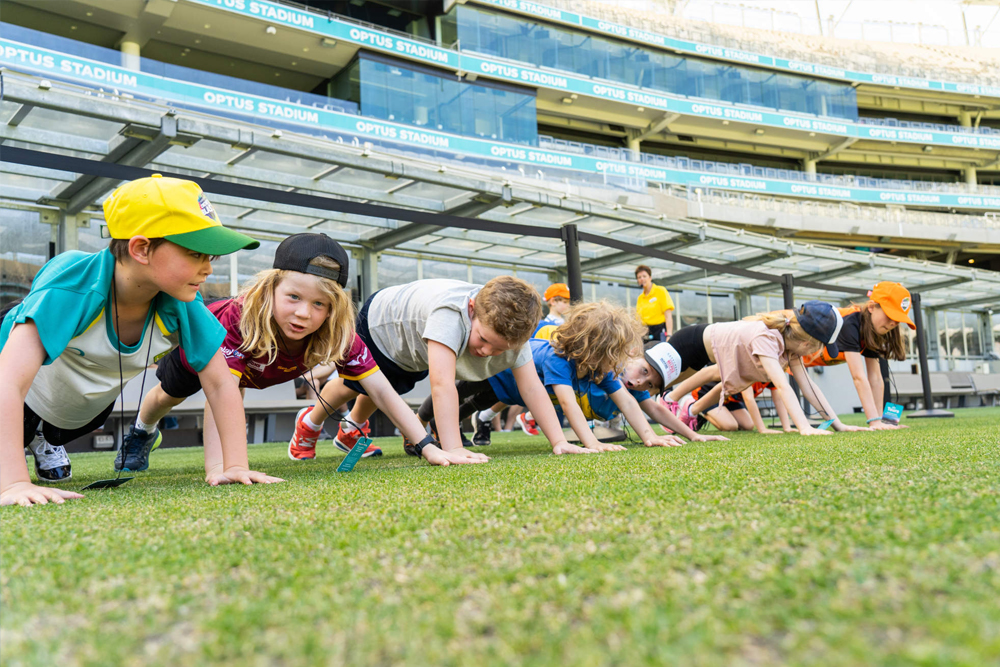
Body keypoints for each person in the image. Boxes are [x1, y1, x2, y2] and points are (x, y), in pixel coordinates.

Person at [0, 175, 279, 507]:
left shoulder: (183, 303)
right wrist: (13, 483)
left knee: (69, 423)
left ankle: (45, 438)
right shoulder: (71, 289)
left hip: (80, 402)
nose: (208, 270)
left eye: (211, 258)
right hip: (20, 381)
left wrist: (232, 466)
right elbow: (8, 382)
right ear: (141, 248)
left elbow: (220, 384)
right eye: (195, 254)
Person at [129, 234, 484, 471]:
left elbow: (381, 391)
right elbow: (220, 393)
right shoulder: (235, 322)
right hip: (207, 357)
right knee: (166, 396)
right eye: (293, 298)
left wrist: (427, 446)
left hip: (255, 372)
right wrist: (220, 469)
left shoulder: (340, 335)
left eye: (319, 304)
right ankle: (142, 432)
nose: (303, 313)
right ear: (270, 289)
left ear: (333, 310)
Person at [289, 276, 597, 458]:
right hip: (383, 323)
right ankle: (310, 422)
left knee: (390, 385)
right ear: (472, 310)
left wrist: (559, 441)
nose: (488, 352)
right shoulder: (449, 315)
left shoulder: (513, 334)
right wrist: (453, 447)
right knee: (356, 382)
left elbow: (531, 387)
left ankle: (349, 431)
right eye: (484, 340)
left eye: (500, 350)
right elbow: (442, 386)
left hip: (414, 345)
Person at [453, 302, 685, 452]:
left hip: (514, 391)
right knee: (461, 392)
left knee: (479, 403)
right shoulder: (559, 360)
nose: (617, 365)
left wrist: (649, 435)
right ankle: (427, 422)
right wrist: (592, 443)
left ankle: (448, 423)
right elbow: (567, 403)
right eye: (613, 356)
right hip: (499, 369)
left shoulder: (600, 368)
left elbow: (627, 401)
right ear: (595, 351)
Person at [659, 303, 872, 436]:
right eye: (821, 346)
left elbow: (809, 386)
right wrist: (803, 427)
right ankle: (669, 398)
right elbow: (782, 385)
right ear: (808, 344)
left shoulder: (792, 348)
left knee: (729, 383)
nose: (819, 351)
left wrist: (839, 425)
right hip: (690, 343)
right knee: (651, 386)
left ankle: (690, 409)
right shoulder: (767, 338)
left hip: (707, 351)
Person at [797, 282, 913, 430]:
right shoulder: (850, 322)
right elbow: (858, 377)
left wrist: (880, 421)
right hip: (788, 354)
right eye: (890, 315)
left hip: (801, 361)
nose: (892, 323)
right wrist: (873, 421)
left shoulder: (873, 329)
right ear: (871, 307)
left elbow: (876, 378)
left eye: (897, 320)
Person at [634, 265, 674, 342]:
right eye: (639, 277)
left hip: (659, 330)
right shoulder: (640, 298)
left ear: (650, 277)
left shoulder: (660, 291)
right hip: (645, 332)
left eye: (644, 276)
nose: (642, 279)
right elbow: (638, 319)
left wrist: (669, 335)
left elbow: (668, 315)